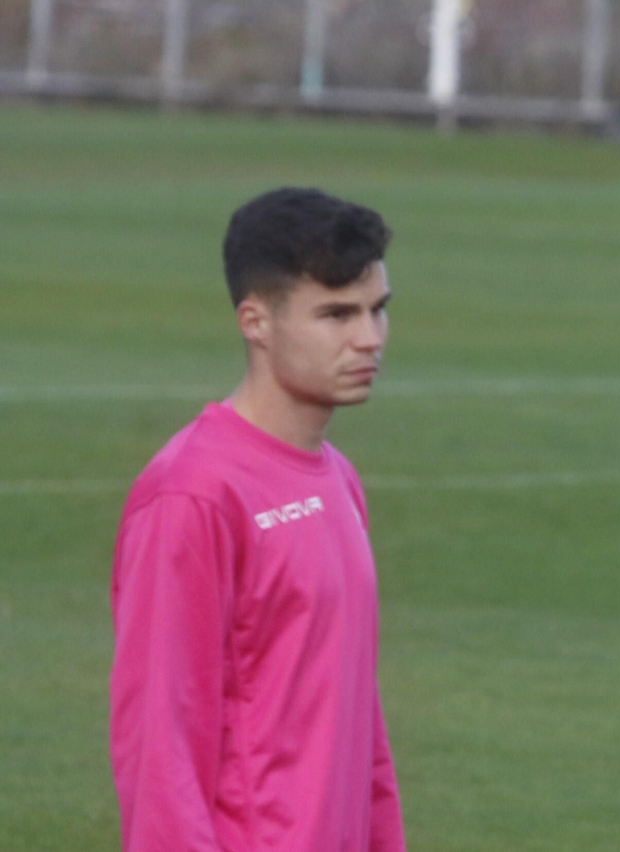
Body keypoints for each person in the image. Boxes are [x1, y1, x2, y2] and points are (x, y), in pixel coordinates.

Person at [108, 187, 405, 852]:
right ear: (255, 322)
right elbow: (160, 743)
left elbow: (359, 718)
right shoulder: (193, 495)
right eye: (335, 314)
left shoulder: (339, 480)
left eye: (377, 310)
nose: (368, 339)